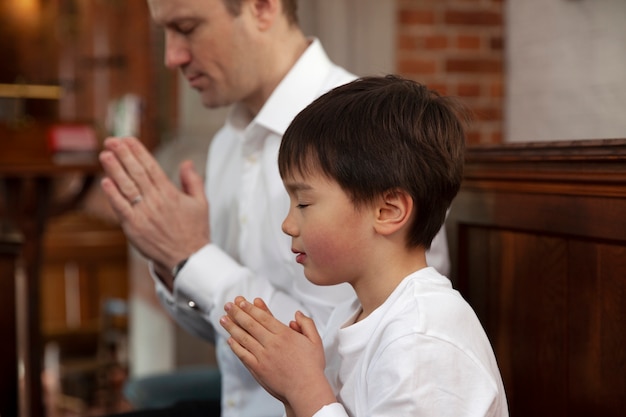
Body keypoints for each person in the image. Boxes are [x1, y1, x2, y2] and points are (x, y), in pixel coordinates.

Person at [99, 0, 451, 416]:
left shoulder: (363, 136)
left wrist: (192, 256)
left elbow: (341, 351)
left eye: (188, 27)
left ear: (262, 8)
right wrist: (173, 262)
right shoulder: (227, 143)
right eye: (165, 34)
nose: (172, 56)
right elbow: (227, 335)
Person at [220, 75, 509, 417]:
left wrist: (304, 386)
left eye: (304, 203)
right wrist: (292, 392)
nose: (288, 224)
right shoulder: (360, 312)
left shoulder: (422, 338)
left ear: (388, 211)